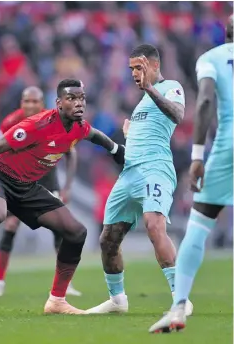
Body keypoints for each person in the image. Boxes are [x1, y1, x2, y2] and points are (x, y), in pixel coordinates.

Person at [0, 79, 125, 315]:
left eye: (82, 98)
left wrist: (117, 151)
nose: (79, 103)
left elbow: (96, 136)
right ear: (59, 103)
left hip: (26, 186)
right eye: (72, 98)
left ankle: (56, 301)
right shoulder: (37, 125)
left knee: (76, 232)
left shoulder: (79, 127)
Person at [86, 44, 193, 315]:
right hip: (130, 173)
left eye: (139, 67)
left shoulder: (171, 87)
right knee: (108, 239)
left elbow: (178, 115)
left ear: (154, 65)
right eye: (132, 68)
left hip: (155, 168)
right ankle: (117, 299)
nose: (135, 73)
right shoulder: (140, 104)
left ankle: (180, 297)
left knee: (154, 225)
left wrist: (150, 88)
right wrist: (129, 134)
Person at [149, 16, 233, 333]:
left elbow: (207, 99)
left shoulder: (211, 59)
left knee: (199, 224)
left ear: (225, 33)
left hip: (228, 147)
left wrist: (198, 156)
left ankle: (179, 306)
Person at [0, 86, 82, 297]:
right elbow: (0, 152)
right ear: (21, 103)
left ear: (42, 104)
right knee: (11, 224)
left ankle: (66, 283)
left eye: (34, 102)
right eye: (26, 101)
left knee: (61, 228)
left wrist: (67, 186)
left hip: (47, 179)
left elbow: (71, 153)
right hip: (19, 178)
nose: (30, 105)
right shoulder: (10, 123)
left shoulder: (55, 120)